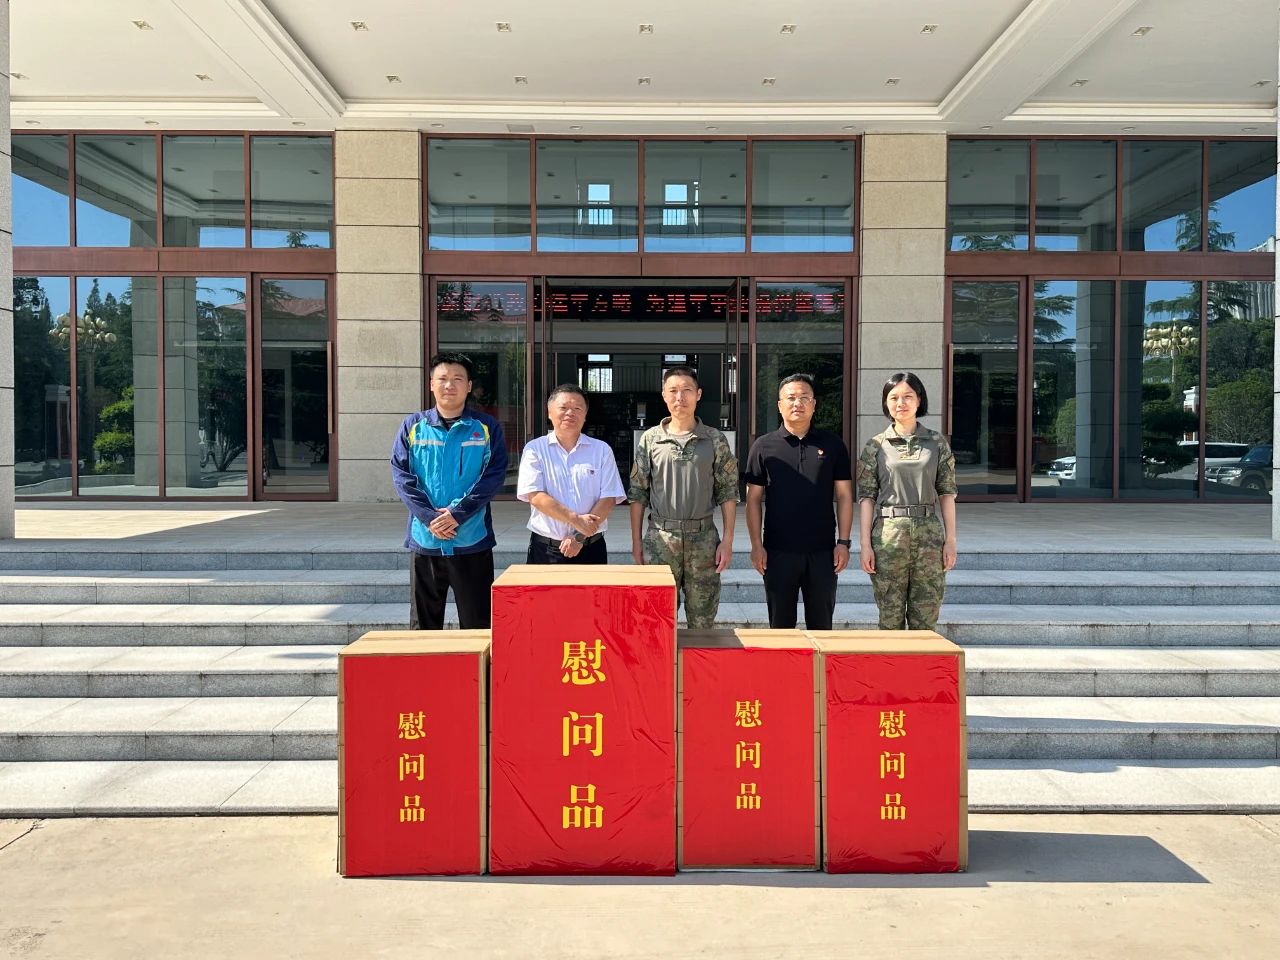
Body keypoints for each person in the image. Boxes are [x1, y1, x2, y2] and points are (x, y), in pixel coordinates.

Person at [390, 352, 508, 630]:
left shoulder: (486, 428)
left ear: (469, 386)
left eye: (458, 379)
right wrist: (430, 518)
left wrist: (457, 514)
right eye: (442, 379)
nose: (449, 385)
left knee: (478, 624)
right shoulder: (413, 427)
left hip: (471, 539)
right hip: (426, 541)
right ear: (431, 384)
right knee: (424, 626)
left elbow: (492, 477)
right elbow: (402, 476)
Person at [629, 366, 738, 628]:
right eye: (673, 391)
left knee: (703, 620)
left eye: (687, 390)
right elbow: (638, 492)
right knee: (656, 619)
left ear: (698, 394)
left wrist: (728, 541)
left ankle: (696, 658)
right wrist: (636, 541)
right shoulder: (650, 439)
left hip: (704, 540)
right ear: (664, 396)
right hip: (660, 539)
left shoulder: (714, 439)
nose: (680, 397)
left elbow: (728, 490)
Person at [744, 373, 854, 630]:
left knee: (822, 627)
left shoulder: (833, 445)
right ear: (779, 405)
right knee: (780, 628)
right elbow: (753, 500)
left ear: (814, 404)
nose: (797, 403)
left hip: (823, 552)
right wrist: (756, 545)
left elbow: (844, 496)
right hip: (777, 552)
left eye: (804, 398)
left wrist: (843, 543)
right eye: (791, 398)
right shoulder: (763, 446)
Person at [856, 371, 958, 631]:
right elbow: (866, 497)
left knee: (926, 616)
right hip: (888, 536)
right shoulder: (875, 446)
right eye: (893, 398)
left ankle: (923, 659)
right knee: (889, 616)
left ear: (919, 400)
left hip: (929, 536)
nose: (900, 403)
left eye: (908, 396)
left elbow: (947, 493)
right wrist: (865, 545)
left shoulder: (936, 443)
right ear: (886, 403)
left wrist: (951, 540)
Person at [517, 384, 626, 564]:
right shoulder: (534, 449)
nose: (570, 413)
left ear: (585, 415)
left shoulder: (601, 450)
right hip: (546, 550)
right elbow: (536, 496)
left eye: (577, 408)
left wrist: (578, 537)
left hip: (591, 548)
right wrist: (575, 520)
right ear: (549, 412)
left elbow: (608, 498)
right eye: (563, 408)